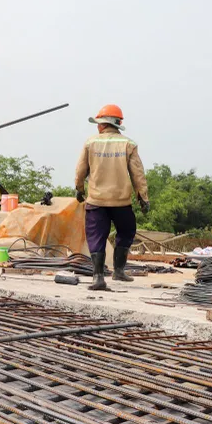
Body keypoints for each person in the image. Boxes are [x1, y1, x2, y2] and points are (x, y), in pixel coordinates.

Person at [75, 104, 149, 291]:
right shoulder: (128, 144)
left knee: (96, 236)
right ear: (118, 124)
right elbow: (138, 174)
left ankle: (98, 277)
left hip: (96, 200)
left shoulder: (90, 143)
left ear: (101, 124)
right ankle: (119, 270)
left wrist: (79, 188)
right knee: (126, 231)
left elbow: (81, 170)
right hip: (121, 201)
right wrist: (143, 197)